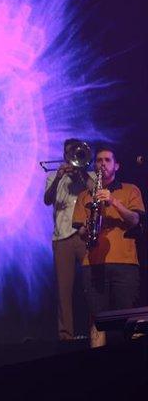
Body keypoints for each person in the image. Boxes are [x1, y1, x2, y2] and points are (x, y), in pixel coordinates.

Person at [72, 147, 144, 347]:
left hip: (125, 263)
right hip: (93, 263)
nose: (102, 164)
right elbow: (79, 231)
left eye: (107, 160)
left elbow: (135, 220)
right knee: (96, 318)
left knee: (130, 320)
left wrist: (113, 201)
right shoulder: (85, 195)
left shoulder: (131, 190)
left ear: (116, 165)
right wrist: (87, 229)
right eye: (99, 161)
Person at [44, 139, 95, 340]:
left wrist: (81, 173)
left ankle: (95, 331)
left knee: (92, 287)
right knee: (64, 289)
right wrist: (58, 178)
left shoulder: (89, 175)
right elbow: (47, 200)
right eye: (69, 153)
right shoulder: (53, 176)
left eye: (76, 153)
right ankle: (66, 334)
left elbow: (95, 193)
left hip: (85, 235)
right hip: (62, 238)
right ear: (64, 156)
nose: (72, 157)